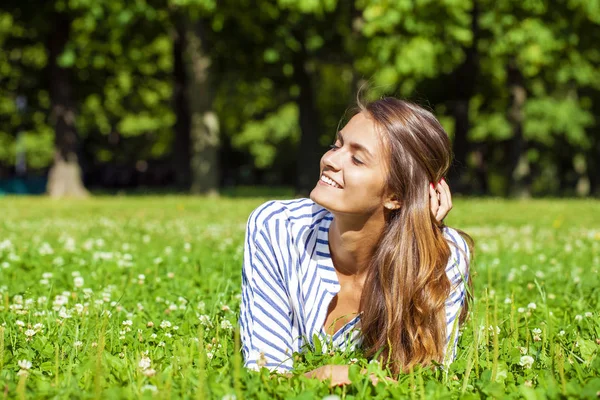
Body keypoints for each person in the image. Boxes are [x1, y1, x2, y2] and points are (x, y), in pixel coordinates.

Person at [239, 97, 473, 385]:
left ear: (395, 196)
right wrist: (337, 375)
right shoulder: (278, 227)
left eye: (357, 158)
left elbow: (425, 381)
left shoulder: (445, 254)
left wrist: (422, 248)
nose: (330, 160)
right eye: (337, 146)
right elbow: (264, 373)